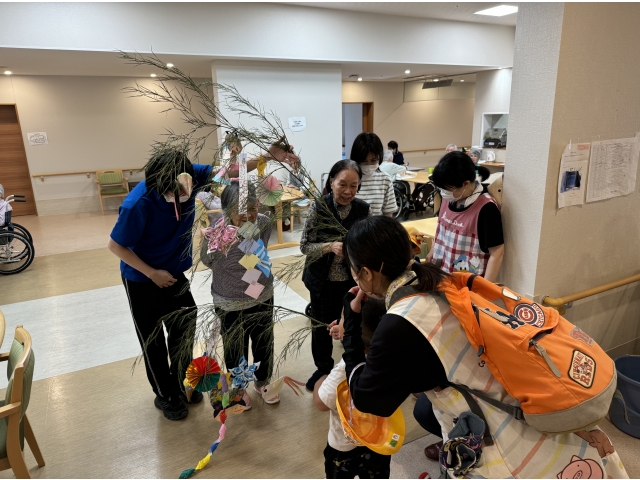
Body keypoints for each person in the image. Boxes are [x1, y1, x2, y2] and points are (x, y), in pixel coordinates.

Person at [340, 216, 628, 479]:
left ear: (366, 273)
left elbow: (369, 400)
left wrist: (350, 326)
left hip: (507, 433)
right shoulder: (440, 279)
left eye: (353, 270)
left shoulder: (400, 324)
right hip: (531, 395)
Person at [108, 145, 296, 421]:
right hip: (142, 277)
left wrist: (268, 156)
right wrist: (151, 273)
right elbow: (116, 246)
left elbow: (230, 170)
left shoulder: (189, 175)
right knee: (153, 340)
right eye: (176, 191)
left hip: (174, 273)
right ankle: (166, 394)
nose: (186, 193)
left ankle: (182, 383)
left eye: (187, 186)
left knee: (184, 328)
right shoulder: (138, 204)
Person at [201, 182, 279, 404]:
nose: (248, 215)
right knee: (235, 346)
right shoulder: (216, 231)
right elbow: (207, 260)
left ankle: (262, 381)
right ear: (227, 211)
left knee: (264, 340)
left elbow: (262, 249)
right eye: (239, 210)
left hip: (261, 294)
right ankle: (239, 386)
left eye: (252, 207)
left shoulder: (263, 222)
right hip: (230, 299)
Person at [301, 160, 370, 391]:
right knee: (321, 327)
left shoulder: (362, 209)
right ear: (331, 182)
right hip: (322, 281)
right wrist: (329, 246)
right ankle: (323, 369)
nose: (348, 191)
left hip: (351, 282)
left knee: (351, 326)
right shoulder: (319, 206)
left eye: (354, 186)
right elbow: (305, 246)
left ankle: (351, 368)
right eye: (342, 184)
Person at [314, 298, 391, 479]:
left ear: (351, 331)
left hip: (344, 447)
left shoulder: (343, 371)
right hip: (378, 442)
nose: (339, 321)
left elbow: (321, 403)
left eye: (342, 318)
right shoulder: (390, 358)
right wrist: (345, 332)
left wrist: (321, 378)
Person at [426, 152, 504, 282]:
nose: (443, 193)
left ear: (465, 184)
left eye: (447, 189)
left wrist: (484, 290)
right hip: (443, 277)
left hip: (467, 285)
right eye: (441, 189)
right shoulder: (448, 198)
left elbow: (497, 253)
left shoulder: (486, 208)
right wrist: (433, 249)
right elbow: (440, 229)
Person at [351, 133, 397, 217]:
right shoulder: (348, 178)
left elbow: (388, 215)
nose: (369, 165)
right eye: (364, 161)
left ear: (380, 157)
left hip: (377, 225)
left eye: (373, 160)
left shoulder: (385, 179)